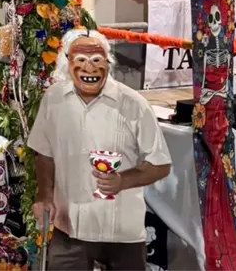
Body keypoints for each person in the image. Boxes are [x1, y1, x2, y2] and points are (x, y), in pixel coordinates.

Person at [27, 29, 171, 271]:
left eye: (97, 60)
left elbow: (160, 164)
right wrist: (44, 195)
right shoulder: (53, 99)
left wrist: (122, 181)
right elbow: (45, 152)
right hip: (69, 229)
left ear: (108, 62)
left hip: (122, 233)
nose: (90, 68)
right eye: (81, 60)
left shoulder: (134, 104)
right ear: (68, 63)